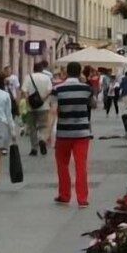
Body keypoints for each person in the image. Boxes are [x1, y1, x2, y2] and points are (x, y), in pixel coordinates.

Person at [50, 61, 94, 208]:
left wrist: (48, 132)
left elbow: (53, 111)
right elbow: (93, 104)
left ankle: (65, 195)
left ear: (67, 72)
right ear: (80, 72)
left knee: (62, 164)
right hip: (82, 132)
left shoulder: (57, 89)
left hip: (63, 132)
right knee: (81, 165)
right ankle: (82, 198)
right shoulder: (87, 88)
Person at [21, 63, 53, 156]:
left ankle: (34, 148)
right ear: (42, 69)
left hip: (31, 107)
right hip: (44, 106)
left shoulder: (28, 77)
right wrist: (43, 99)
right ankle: (42, 139)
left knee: (32, 127)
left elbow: (24, 91)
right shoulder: (46, 78)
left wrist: (28, 102)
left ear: (33, 68)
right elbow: (49, 90)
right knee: (43, 126)